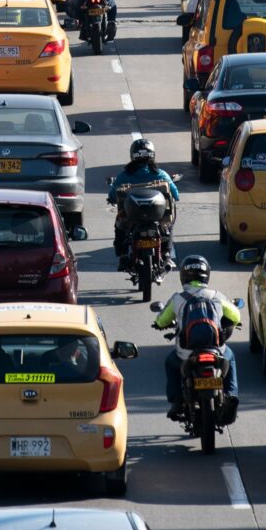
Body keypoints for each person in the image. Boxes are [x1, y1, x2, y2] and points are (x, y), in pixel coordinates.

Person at [152, 256, 241, 421]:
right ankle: (231, 394)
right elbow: (236, 315)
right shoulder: (216, 296)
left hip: (186, 353)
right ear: (206, 274)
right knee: (231, 357)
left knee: (170, 363)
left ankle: (177, 401)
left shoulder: (179, 298)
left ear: (184, 276)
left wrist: (159, 324)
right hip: (216, 350)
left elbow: (161, 320)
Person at [106, 137, 179, 265]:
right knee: (168, 223)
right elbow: (175, 194)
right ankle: (166, 253)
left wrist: (111, 199)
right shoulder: (161, 174)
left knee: (119, 226)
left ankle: (122, 255)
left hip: (131, 218)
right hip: (158, 217)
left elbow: (112, 195)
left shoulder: (123, 176)